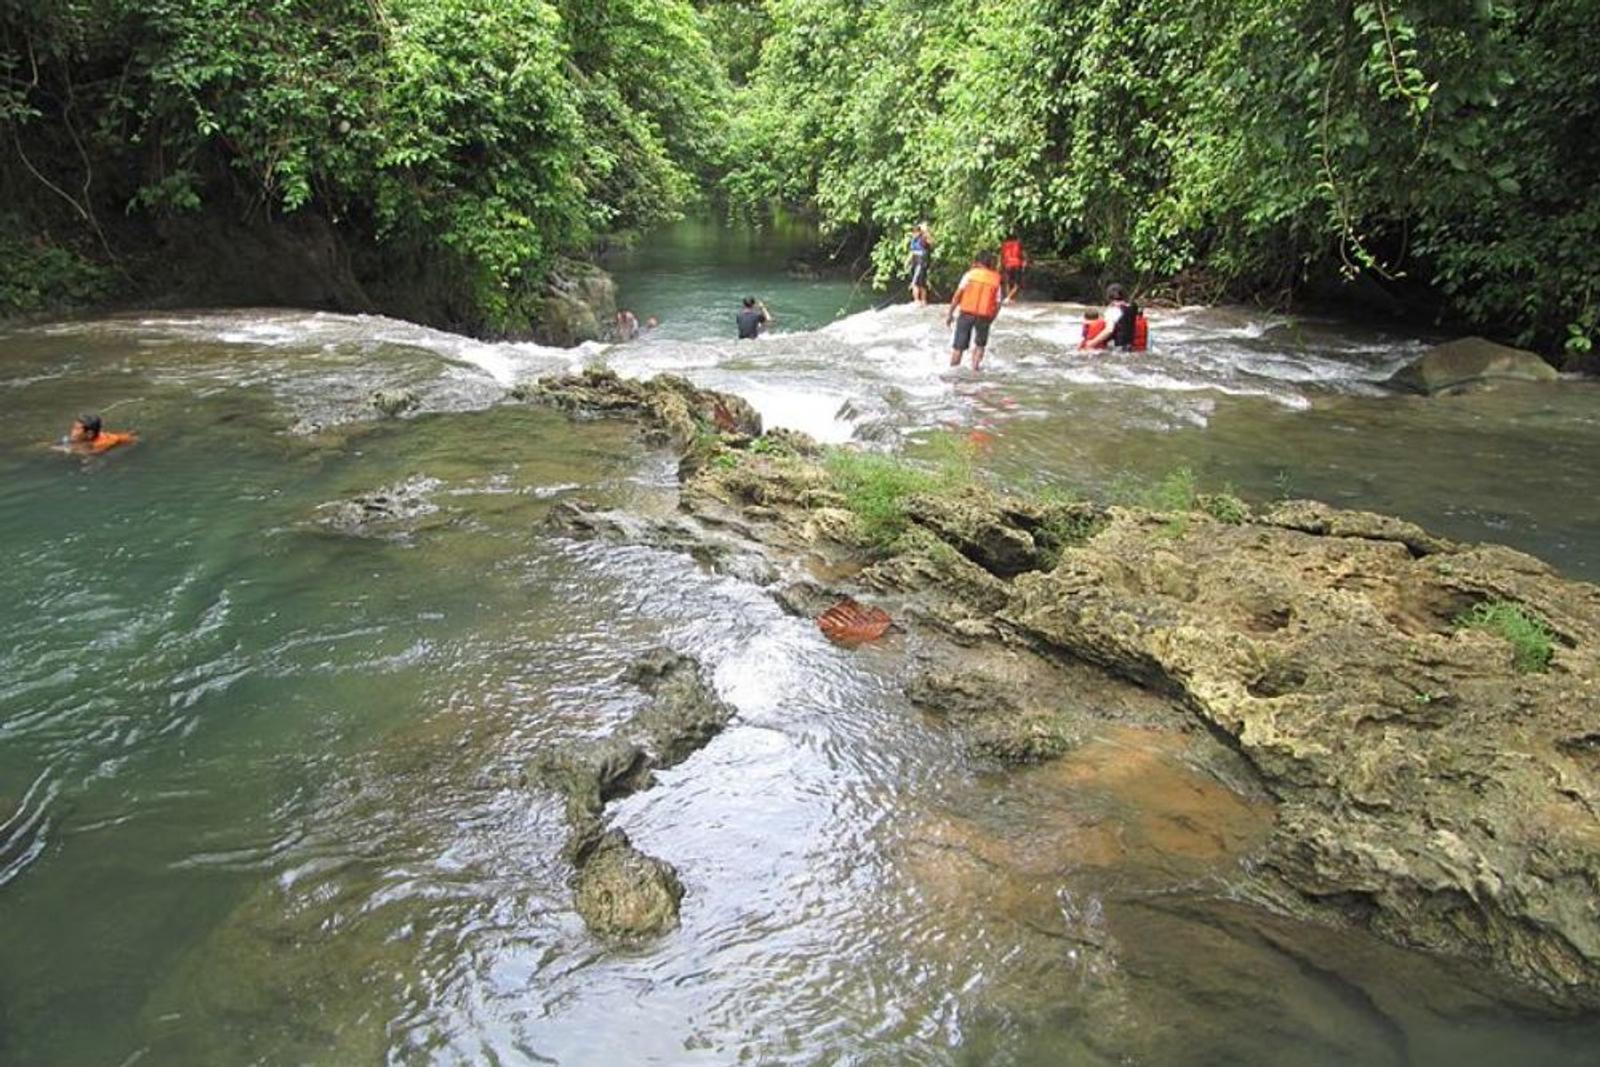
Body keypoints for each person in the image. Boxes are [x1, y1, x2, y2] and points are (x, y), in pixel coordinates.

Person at [945, 252, 1004, 371]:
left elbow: (957, 295)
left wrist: (950, 313)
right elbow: (998, 304)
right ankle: (975, 369)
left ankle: (952, 371)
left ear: (977, 262)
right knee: (980, 345)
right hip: (984, 316)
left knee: (958, 347)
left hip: (966, 313)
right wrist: (992, 319)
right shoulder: (995, 279)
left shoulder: (970, 275)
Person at [1079, 283, 1149, 352]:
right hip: (1135, 349)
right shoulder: (1132, 309)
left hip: (1119, 350)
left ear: (1108, 297)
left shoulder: (1112, 311)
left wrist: (1092, 343)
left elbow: (1109, 330)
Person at [63, 412, 136, 454]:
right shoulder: (90, 437)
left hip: (132, 442)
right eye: (73, 427)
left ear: (89, 434)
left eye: (76, 429)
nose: (72, 431)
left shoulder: (99, 445)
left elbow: (86, 451)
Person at [907, 223, 934, 306]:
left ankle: (923, 300)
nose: (914, 234)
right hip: (915, 262)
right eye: (913, 232)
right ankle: (916, 300)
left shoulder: (923, 239)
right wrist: (907, 261)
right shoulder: (913, 241)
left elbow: (931, 242)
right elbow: (912, 252)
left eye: (916, 232)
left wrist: (925, 231)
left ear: (919, 232)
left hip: (922, 263)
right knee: (915, 282)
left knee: (921, 282)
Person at [1000, 234, 1027, 302]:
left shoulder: (1004, 244)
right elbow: (1024, 254)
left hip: (1007, 264)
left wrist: (1001, 265)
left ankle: (1009, 297)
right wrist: (1025, 262)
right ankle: (1009, 297)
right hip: (1016, 264)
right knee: (1017, 283)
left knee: (1008, 282)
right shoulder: (1018, 244)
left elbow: (1002, 255)